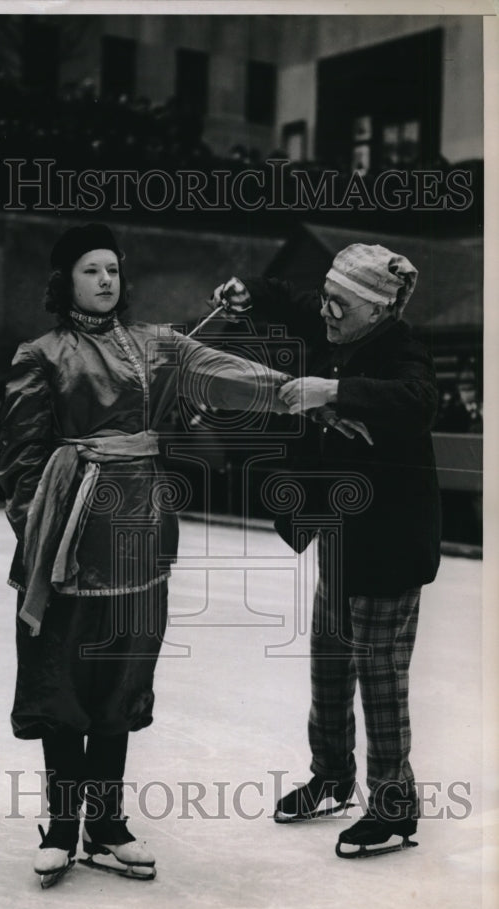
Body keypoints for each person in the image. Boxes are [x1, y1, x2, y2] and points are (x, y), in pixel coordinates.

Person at [0, 223, 296, 886]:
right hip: (66, 542)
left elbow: (225, 374)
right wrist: (39, 533)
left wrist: (294, 391)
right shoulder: (41, 354)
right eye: (91, 269)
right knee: (63, 681)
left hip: (139, 539)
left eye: (112, 268)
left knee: (120, 680)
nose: (106, 279)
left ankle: (105, 828)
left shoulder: (158, 345)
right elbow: (20, 462)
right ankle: (61, 828)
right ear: (65, 281)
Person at [211, 243, 441, 858]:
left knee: (379, 675)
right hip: (340, 535)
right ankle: (333, 776)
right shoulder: (334, 321)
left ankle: (393, 807)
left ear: (377, 310)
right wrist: (251, 290)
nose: (326, 313)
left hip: (389, 543)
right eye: (327, 300)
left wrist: (332, 390)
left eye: (341, 305)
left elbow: (418, 400)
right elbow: (292, 300)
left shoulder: (403, 349)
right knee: (330, 665)